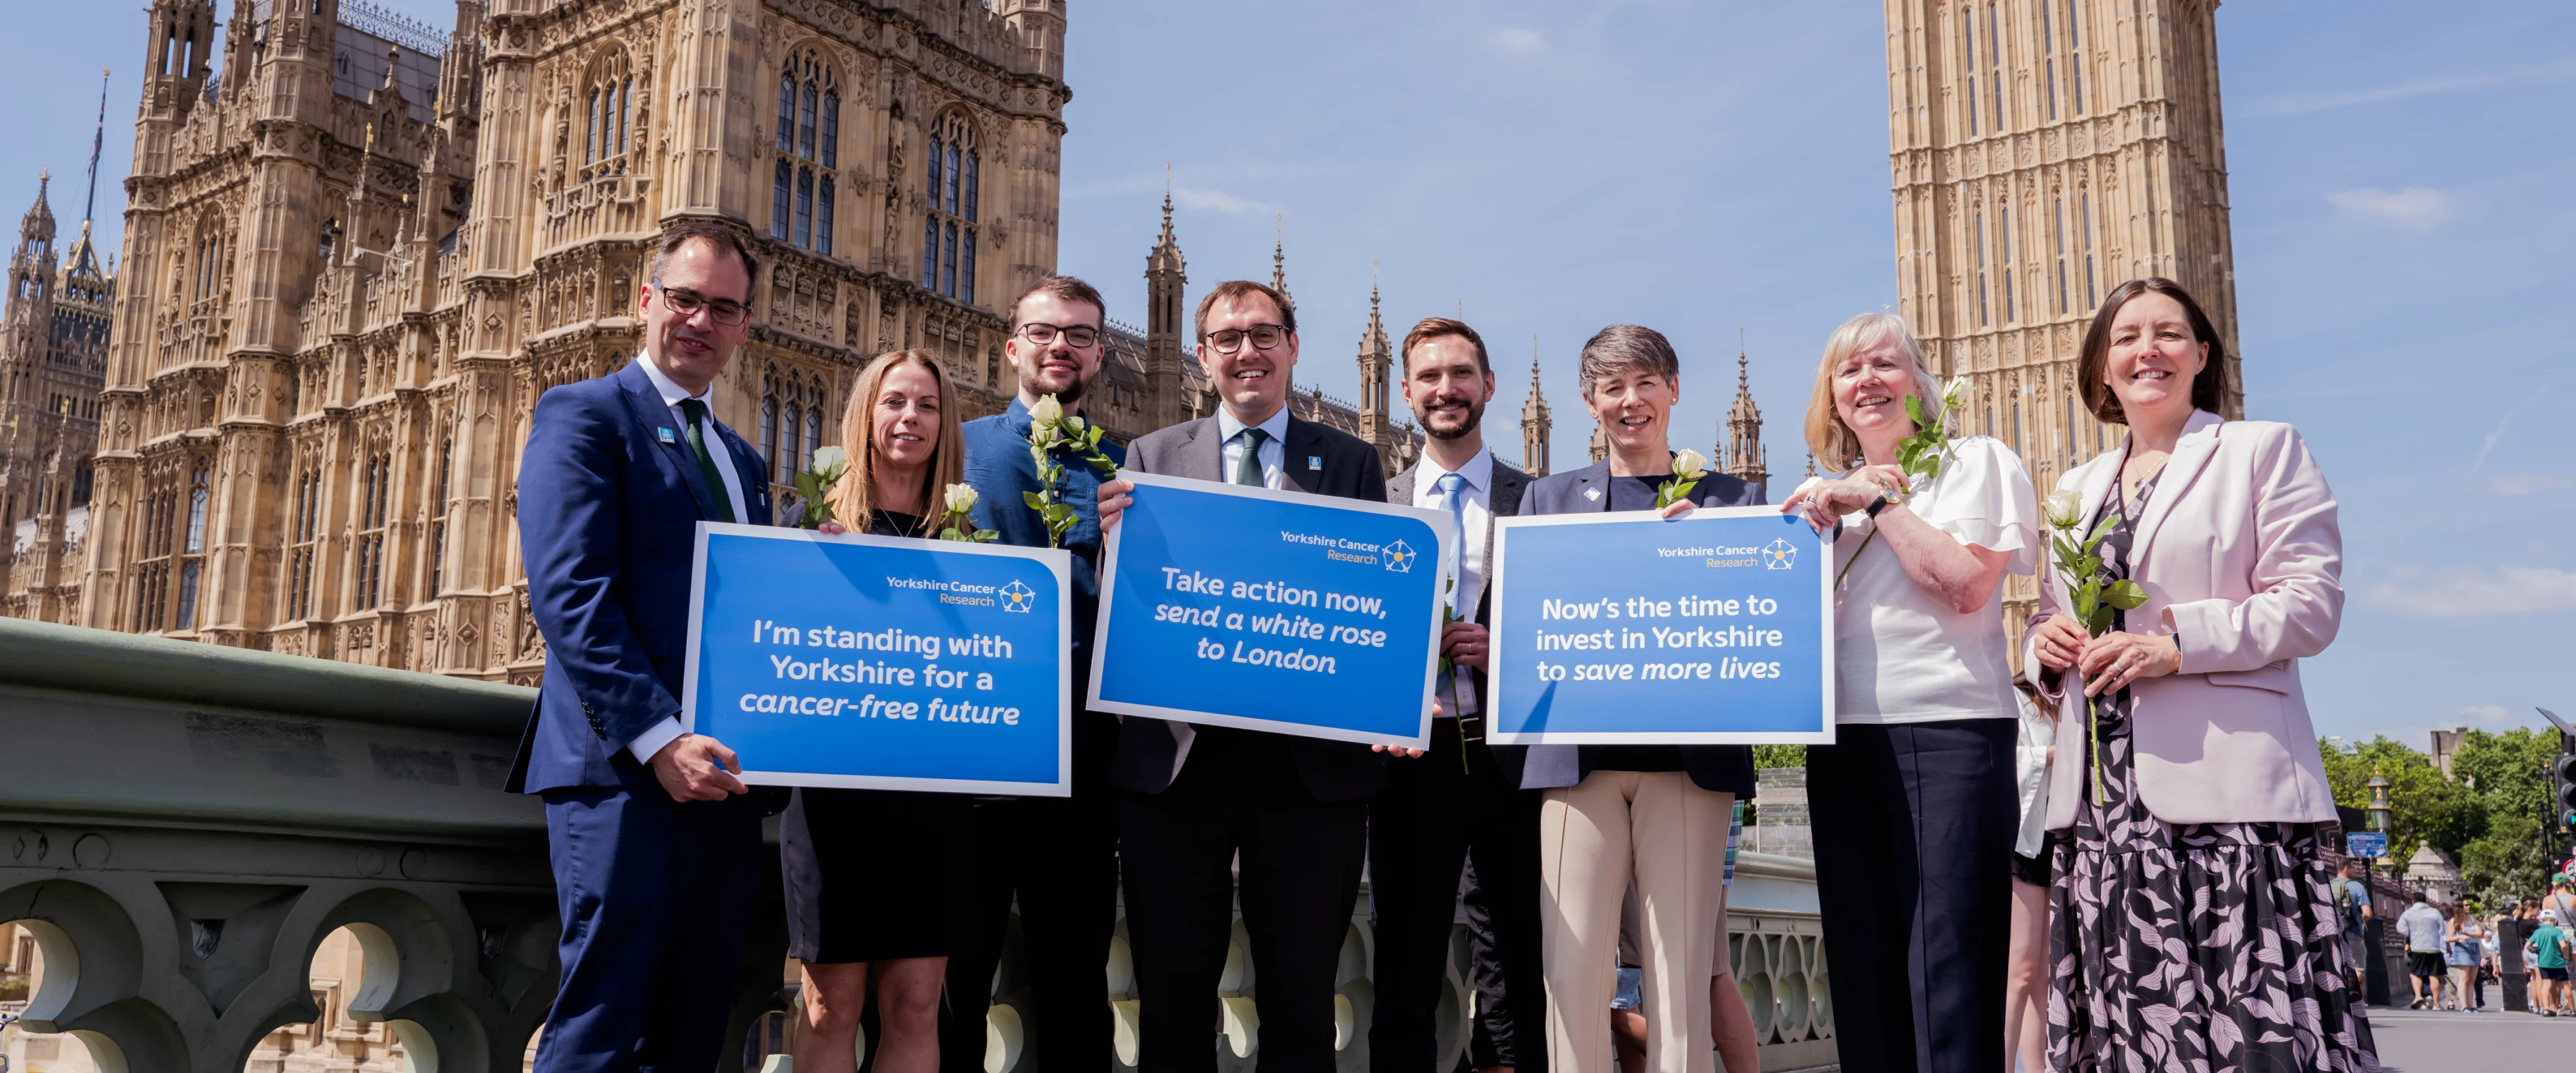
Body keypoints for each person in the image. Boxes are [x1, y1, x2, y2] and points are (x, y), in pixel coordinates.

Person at [2026, 278, 2373, 1068]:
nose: (2148, 350)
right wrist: (2043, 649)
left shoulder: (2261, 449)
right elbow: (2051, 612)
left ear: (2202, 355)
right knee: (2134, 1023)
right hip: (2105, 807)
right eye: (2126, 338)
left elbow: (2312, 604)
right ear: (2102, 368)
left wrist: (2177, 647)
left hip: (2227, 798)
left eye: (2169, 334)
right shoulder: (2077, 490)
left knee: (2244, 1023)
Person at [1091, 280, 1402, 1073]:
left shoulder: (1352, 462)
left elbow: (1374, 612)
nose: (1247, 352)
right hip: (1179, 767)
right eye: (1228, 338)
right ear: (1202, 354)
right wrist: (1111, 543)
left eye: (1264, 335)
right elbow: (1134, 610)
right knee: (1171, 997)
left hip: (1307, 775)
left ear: (1293, 348)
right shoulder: (1151, 458)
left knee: (1302, 1002)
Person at [508, 222, 776, 1072]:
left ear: (742, 328)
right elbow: (570, 595)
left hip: (725, 779)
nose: (700, 321)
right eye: (685, 299)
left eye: (723, 309)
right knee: (599, 1023)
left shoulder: (743, 460)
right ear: (646, 300)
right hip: (621, 772)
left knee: (693, 1027)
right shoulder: (584, 412)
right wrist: (660, 740)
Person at [1782, 312, 2034, 1073]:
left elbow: (1963, 586)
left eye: (1884, 365)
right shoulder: (1815, 498)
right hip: (1842, 737)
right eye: (1848, 370)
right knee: (1862, 970)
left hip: (1948, 731)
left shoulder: (1973, 462)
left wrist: (1880, 503)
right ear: (1831, 397)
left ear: (1921, 384)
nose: (1867, 381)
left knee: (1949, 972)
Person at [1514, 324, 1760, 1073]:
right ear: (1590, 402)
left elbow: (1760, 623)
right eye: (1613, 388)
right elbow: (1525, 625)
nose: (1631, 401)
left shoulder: (1731, 499)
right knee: (1572, 971)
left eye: (1645, 383)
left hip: (1687, 767)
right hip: (1575, 765)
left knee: (1679, 975)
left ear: (1674, 391)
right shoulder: (1547, 499)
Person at [940, 276, 1129, 1073]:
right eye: (1045, 333)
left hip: (1087, 759)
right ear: (1012, 345)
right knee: (953, 976)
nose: (1061, 348)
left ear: (1100, 356)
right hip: (974, 746)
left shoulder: (1130, 470)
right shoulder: (960, 447)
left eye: (1080, 336)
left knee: (1075, 976)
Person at [786, 349, 979, 1073]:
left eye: (927, 406)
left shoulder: (968, 541)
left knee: (916, 1005)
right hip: (836, 801)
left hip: (932, 800)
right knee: (830, 1005)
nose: (910, 419)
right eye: (895, 402)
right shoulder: (811, 523)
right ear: (867, 414)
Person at [1369, 317, 1545, 1073]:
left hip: (1509, 758)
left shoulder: (1539, 501)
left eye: (1462, 375)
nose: (1447, 390)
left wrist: (1501, 652)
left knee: (1516, 953)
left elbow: (1571, 633)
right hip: (1410, 757)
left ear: (1489, 388)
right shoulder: (1376, 503)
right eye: (1430, 378)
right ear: (1403, 391)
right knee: (1404, 951)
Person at [2004, 683, 2054, 1073]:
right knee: (2020, 971)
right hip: (2024, 838)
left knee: (2044, 976)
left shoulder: (2068, 700)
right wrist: (2054, 756)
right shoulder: (2013, 695)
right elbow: (2006, 760)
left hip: (2061, 835)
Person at [2333, 858, 2375, 996]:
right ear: (2346, 869)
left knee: (2337, 967)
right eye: (2354, 868)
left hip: (2331, 931)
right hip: (2352, 931)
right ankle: (2350, 997)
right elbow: (2368, 913)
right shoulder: (2357, 886)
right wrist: (2362, 920)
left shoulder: (2327, 885)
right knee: (2358, 968)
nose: (2356, 871)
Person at [2396, 893, 2445, 1009]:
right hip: (2433, 948)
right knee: (2434, 975)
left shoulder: (2408, 913)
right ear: (2426, 901)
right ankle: (2437, 1003)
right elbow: (2442, 930)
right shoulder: (2434, 912)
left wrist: (2411, 933)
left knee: (2415, 973)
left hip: (2417, 947)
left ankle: (2418, 996)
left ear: (2413, 902)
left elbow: (2400, 928)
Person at [2529, 909, 2570, 1016]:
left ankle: (2546, 1008)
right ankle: (2572, 1008)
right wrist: (2566, 956)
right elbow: (2564, 945)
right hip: (2558, 962)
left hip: (2543, 962)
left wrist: (2536, 950)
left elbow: (2528, 945)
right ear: (2555, 921)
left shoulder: (2538, 932)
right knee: (2565, 985)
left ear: (2541, 920)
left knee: (2546, 985)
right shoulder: (2557, 931)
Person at [2446, 903, 2487, 1011]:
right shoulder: (2454, 921)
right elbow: (2450, 938)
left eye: (2469, 905)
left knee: (2472, 980)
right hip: (2462, 949)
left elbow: (2480, 933)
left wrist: (2466, 932)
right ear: (2460, 907)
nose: (2468, 907)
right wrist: (2460, 936)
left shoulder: (2472, 919)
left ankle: (2470, 1005)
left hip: (2474, 948)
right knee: (2464, 978)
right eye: (2466, 905)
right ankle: (2464, 1006)